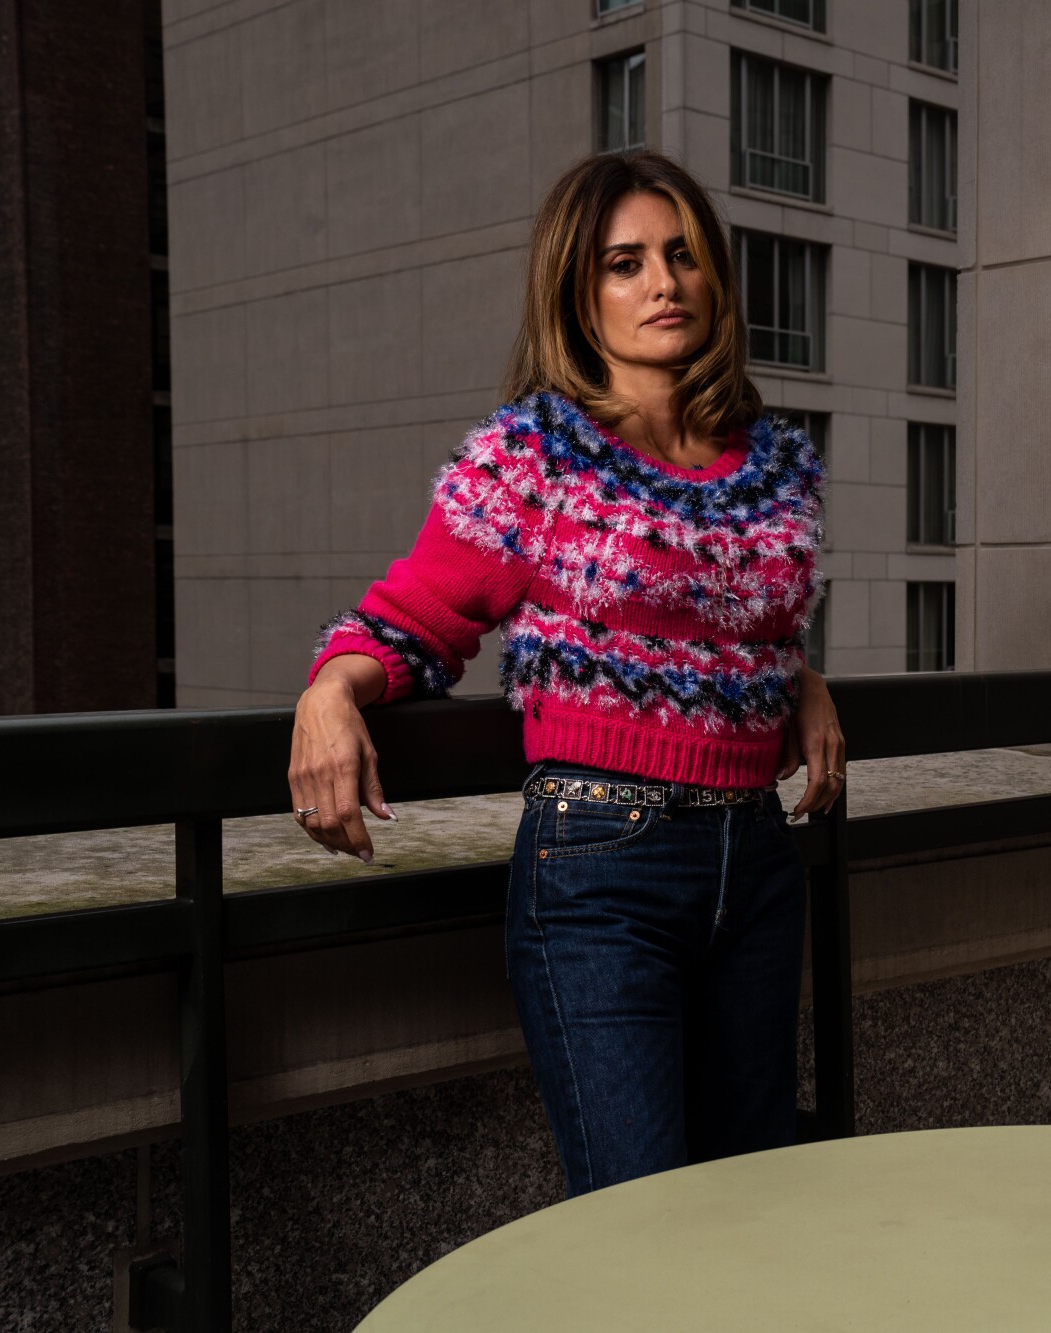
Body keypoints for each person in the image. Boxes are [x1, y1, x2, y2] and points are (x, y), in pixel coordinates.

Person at [288, 150, 841, 1196]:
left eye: (680, 255)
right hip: (603, 869)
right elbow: (411, 619)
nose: (662, 283)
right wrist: (329, 691)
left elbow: (737, 616)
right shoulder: (533, 456)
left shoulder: (770, 461)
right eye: (623, 263)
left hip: (757, 864)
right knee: (636, 1218)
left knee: (759, 1208)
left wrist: (795, 679)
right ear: (575, 296)